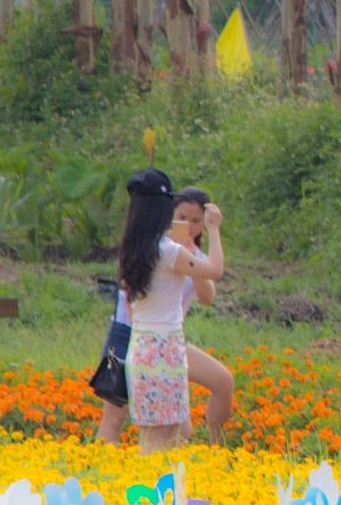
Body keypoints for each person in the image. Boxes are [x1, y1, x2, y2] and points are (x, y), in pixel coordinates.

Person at [97, 187, 237, 446]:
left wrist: (191, 257)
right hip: (129, 331)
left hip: (168, 341)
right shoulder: (152, 246)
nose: (189, 226)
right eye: (182, 217)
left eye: (197, 221)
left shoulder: (187, 256)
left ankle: (216, 450)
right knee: (115, 415)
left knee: (217, 386)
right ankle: (99, 471)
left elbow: (207, 297)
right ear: (169, 214)